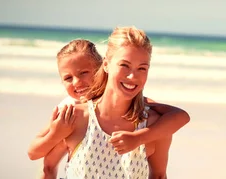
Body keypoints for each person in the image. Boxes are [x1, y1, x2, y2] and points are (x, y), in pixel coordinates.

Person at [29, 26, 184, 178]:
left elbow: (180, 117)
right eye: (124, 65)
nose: (132, 76)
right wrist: (56, 134)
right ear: (106, 65)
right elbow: (45, 163)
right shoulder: (71, 115)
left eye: (142, 68)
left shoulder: (155, 124)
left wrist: (139, 138)